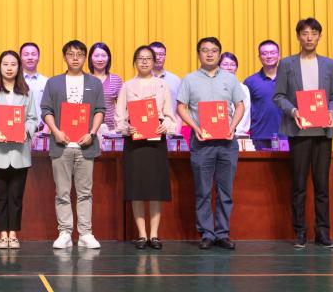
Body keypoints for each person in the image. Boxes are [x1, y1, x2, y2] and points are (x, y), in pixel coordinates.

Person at [273, 18, 333, 250]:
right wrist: (293, 111)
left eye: (314, 33)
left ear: (320, 37)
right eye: (304, 33)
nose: (309, 37)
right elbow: (279, 96)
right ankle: (300, 232)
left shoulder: (329, 65)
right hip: (299, 131)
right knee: (299, 185)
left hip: (323, 131)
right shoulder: (287, 64)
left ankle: (322, 232)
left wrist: (331, 111)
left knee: (322, 185)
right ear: (298, 37)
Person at [175, 37, 245, 251]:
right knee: (203, 191)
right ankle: (206, 233)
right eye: (205, 50)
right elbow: (181, 107)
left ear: (219, 54)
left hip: (227, 143)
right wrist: (195, 127)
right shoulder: (189, 80)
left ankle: (223, 233)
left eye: (214, 50)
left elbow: (240, 106)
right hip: (202, 143)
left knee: (226, 191)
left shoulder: (230, 79)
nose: (209, 54)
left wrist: (232, 126)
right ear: (198, 54)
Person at [41, 40, 106, 250]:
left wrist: (92, 133)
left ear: (85, 57)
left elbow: (100, 110)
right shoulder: (54, 83)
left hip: (86, 146)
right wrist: (56, 131)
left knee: (85, 192)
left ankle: (86, 233)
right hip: (61, 145)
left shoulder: (94, 83)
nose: (75, 58)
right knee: (62, 192)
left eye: (79, 54)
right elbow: (46, 110)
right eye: (71, 54)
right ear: (64, 57)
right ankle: (65, 232)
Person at [115, 46, 178, 249]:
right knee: (137, 188)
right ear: (135, 62)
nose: (144, 62)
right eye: (140, 58)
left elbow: (170, 115)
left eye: (148, 58)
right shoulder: (126, 86)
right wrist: (127, 128)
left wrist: (165, 125)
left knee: (155, 188)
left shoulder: (162, 85)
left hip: (156, 141)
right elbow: (119, 117)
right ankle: (142, 235)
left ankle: (154, 235)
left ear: (154, 61)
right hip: (134, 142)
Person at [0, 50, 40, 249]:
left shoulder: (26, 92)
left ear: (19, 67)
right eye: (5, 64)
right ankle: (2, 234)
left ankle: (13, 234)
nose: (9, 68)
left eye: (13, 64)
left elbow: (33, 119)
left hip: (19, 152)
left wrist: (25, 130)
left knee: (16, 197)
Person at [244, 40, 285, 149]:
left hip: (286, 136)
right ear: (259, 57)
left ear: (279, 55)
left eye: (272, 52)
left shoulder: (289, 79)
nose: (269, 56)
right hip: (259, 136)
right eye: (264, 53)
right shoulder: (250, 82)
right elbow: (244, 110)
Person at [89, 42, 123, 133]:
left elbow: (123, 106)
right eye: (96, 56)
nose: (100, 59)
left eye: (104, 56)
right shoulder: (85, 79)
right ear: (90, 58)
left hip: (111, 129)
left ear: (109, 58)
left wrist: (119, 127)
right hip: (88, 129)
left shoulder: (116, 79)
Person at [219, 52, 252, 138]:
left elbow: (245, 112)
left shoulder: (243, 88)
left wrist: (236, 130)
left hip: (238, 133)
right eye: (225, 64)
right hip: (217, 133)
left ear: (236, 68)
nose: (229, 68)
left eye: (233, 65)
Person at [19, 42, 48, 130]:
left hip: (41, 131)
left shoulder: (46, 82)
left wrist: (45, 130)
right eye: (26, 54)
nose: (30, 57)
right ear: (20, 58)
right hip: (17, 130)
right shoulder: (13, 81)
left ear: (38, 58)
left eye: (33, 54)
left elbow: (51, 108)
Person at [149, 41, 182, 113]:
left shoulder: (175, 80)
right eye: (155, 54)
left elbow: (180, 107)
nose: (158, 57)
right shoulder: (141, 80)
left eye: (161, 54)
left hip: (171, 120)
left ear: (165, 56)